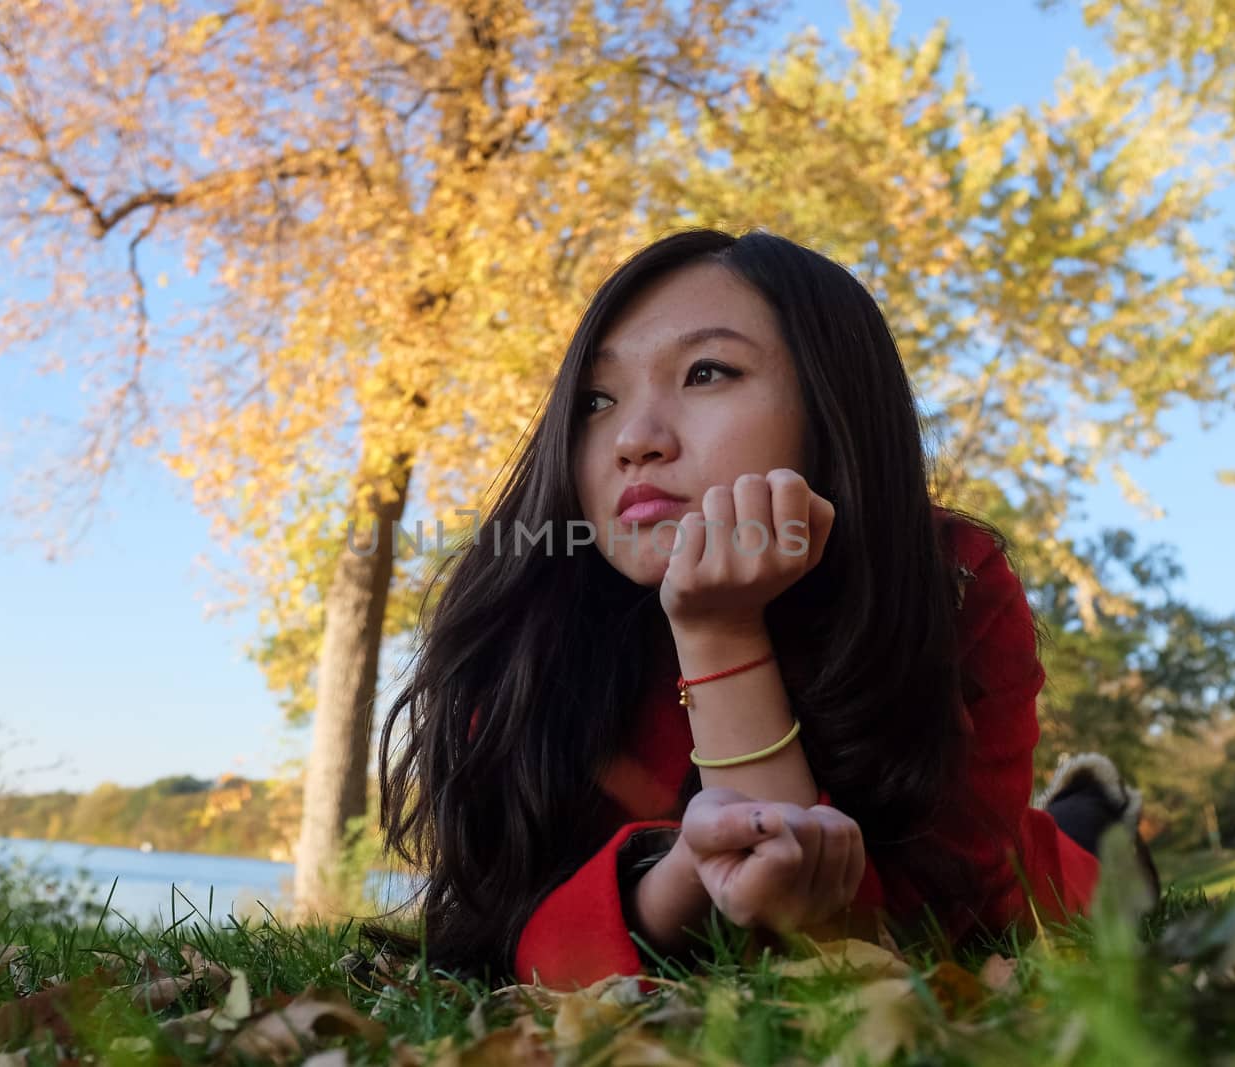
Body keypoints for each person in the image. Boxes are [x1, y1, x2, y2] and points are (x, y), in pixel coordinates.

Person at [377, 228, 1157, 990]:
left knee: (1095, 867)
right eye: (597, 399)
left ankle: (1096, 812)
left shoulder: (945, 578)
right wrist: (677, 877)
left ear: (830, 404)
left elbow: (884, 941)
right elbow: (502, 928)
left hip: (1037, 871)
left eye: (707, 371)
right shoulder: (525, 624)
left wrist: (720, 631)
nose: (634, 439)